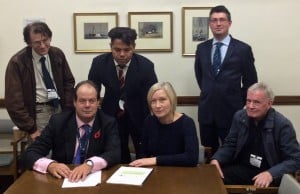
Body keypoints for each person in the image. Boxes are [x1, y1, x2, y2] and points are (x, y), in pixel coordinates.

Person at [22, 80, 121, 182]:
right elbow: (30, 153)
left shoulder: (107, 123)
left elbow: (114, 153)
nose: (87, 105)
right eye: (82, 101)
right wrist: (50, 165)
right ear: (74, 102)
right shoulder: (58, 122)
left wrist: (90, 164)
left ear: (98, 102)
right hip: (62, 179)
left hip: (94, 180)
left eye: (92, 101)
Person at [88, 27, 158, 163]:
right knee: (117, 154)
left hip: (139, 114)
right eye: (117, 50)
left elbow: (153, 95)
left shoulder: (146, 66)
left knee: (142, 152)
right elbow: (92, 90)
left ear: (134, 47)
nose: (122, 54)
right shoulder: (99, 63)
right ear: (111, 47)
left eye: (127, 50)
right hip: (111, 114)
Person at [194, 5, 258, 154]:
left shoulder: (243, 49)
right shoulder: (202, 48)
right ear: (209, 24)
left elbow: (251, 82)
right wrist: (210, 92)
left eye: (222, 20)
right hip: (207, 112)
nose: (218, 23)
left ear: (229, 23)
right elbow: (200, 76)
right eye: (214, 20)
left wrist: (237, 101)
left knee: (232, 153)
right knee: (209, 155)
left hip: (231, 112)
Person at [210, 82, 300, 187]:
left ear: (269, 104)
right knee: (213, 179)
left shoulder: (282, 125)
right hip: (243, 168)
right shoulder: (240, 117)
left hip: (269, 172)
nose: (250, 106)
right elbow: (230, 144)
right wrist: (216, 159)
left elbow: (295, 159)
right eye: (248, 101)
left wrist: (271, 173)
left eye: (256, 102)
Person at [5, 22, 75, 141]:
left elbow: (68, 82)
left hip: (60, 108)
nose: (43, 46)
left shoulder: (57, 54)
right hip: (38, 112)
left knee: (64, 148)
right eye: (37, 42)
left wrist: (68, 109)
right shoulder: (17, 62)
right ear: (29, 43)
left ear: (50, 37)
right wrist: (31, 128)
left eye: (45, 40)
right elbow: (13, 101)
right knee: (44, 154)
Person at [129, 82, 199, 167]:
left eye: (162, 100)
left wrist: (156, 160)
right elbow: (143, 155)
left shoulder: (187, 123)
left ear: (171, 100)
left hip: (181, 174)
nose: (157, 105)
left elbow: (191, 158)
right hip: (156, 174)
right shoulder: (149, 121)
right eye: (153, 101)